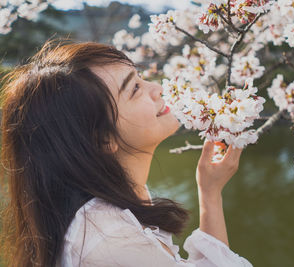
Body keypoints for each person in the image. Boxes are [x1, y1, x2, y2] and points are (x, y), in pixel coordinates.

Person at [0, 40, 253, 267]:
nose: (156, 88)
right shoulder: (112, 242)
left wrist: (209, 191)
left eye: (140, 77)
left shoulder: (114, 207)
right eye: (134, 89)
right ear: (103, 138)